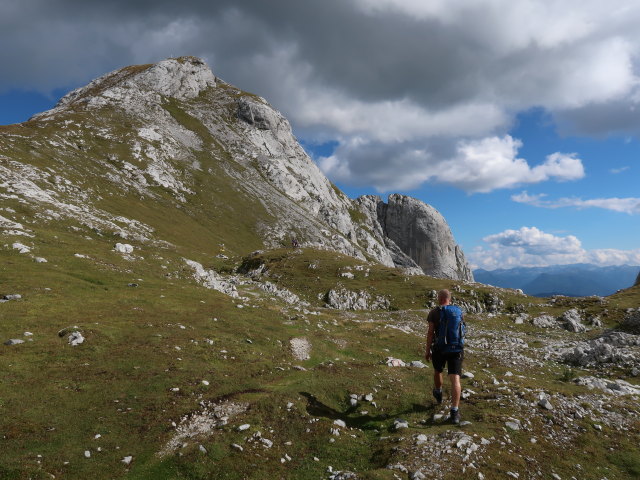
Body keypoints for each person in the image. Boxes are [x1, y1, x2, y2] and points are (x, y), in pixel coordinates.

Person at [425, 289, 465, 424]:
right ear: (449, 299)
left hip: (439, 349)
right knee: (455, 379)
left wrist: (427, 350)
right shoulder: (458, 311)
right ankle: (455, 412)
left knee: (438, 371)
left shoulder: (434, 312)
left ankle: (438, 391)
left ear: (439, 298)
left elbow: (430, 333)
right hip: (456, 349)